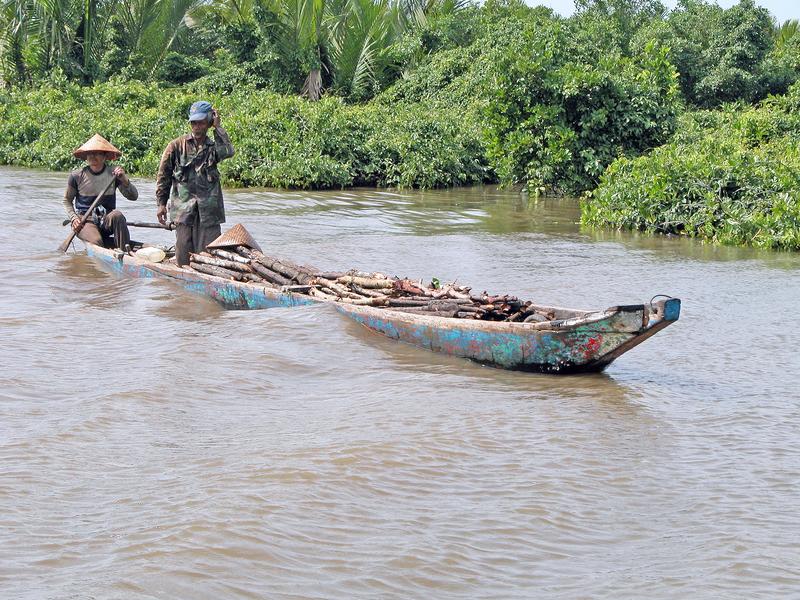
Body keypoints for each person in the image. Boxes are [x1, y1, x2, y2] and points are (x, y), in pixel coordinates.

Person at [155, 100, 235, 266]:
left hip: (209, 211)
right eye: (194, 123)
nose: (197, 126)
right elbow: (164, 175)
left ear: (208, 122)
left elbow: (228, 151)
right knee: (183, 250)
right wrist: (161, 204)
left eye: (201, 122)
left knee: (208, 255)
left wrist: (218, 128)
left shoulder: (213, 147)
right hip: (183, 209)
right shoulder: (176, 146)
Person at [63, 134, 138, 250]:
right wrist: (74, 218)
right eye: (90, 153)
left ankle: (124, 251)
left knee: (117, 216)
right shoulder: (77, 176)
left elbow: (133, 196)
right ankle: (103, 250)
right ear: (86, 156)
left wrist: (124, 180)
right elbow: (67, 201)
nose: (92, 156)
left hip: (106, 218)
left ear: (105, 156)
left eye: (97, 153)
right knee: (97, 241)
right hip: (85, 221)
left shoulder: (114, 174)